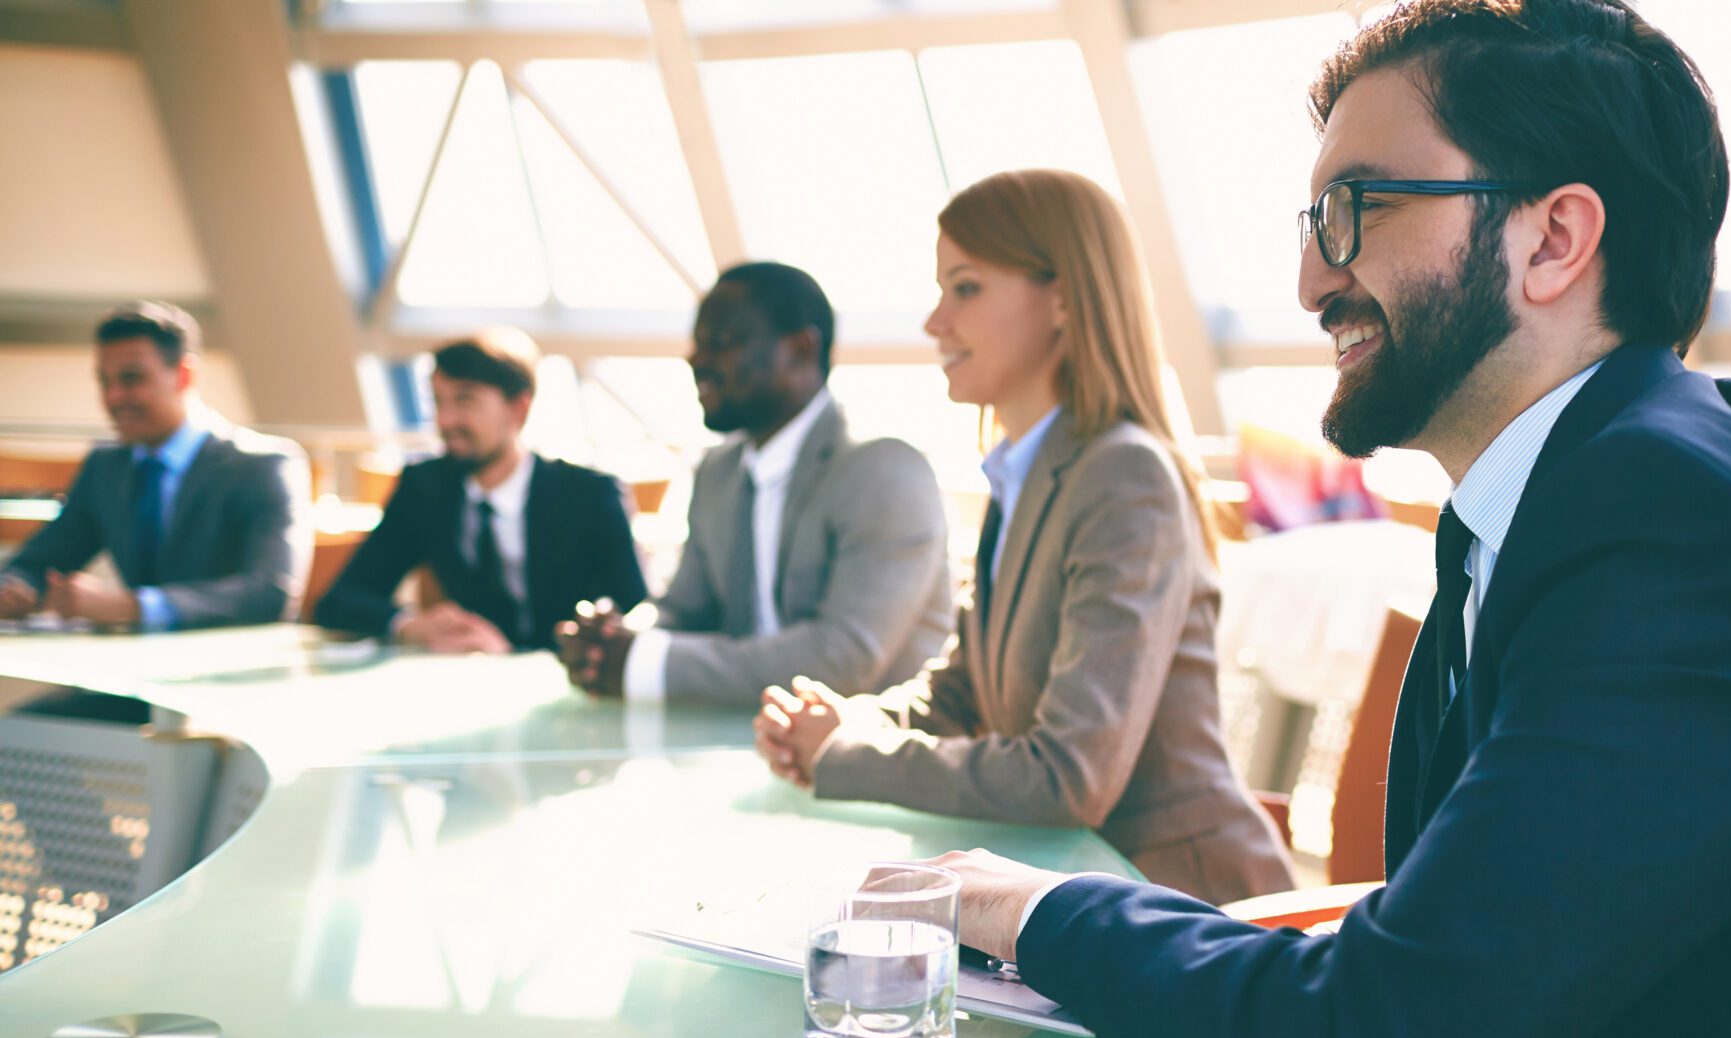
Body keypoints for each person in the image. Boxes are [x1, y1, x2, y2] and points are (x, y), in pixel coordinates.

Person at [935, 4, 1731, 1038]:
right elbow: (1445, 982)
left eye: (1360, 209)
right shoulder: (1548, 506)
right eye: (1310, 222)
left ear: (1553, 238)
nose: (1309, 280)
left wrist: (1039, 910)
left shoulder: (1679, 526)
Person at [753, 171, 1294, 906]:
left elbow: (1068, 776)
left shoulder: (1123, 477)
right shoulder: (1029, 471)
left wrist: (848, 755)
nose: (935, 322)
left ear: (1065, 298)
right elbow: (958, 691)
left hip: (1179, 905)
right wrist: (838, 724)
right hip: (1075, 888)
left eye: (965, 288)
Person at [557, 262, 951, 705]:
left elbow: (844, 659)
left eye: (722, 342)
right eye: (697, 344)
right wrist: (617, 638)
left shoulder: (881, 470)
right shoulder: (719, 470)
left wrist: (647, 662)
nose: (696, 359)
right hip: (747, 739)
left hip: (868, 757)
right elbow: (685, 609)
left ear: (800, 351)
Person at [314, 329, 646, 654]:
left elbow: (633, 616)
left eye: (465, 400)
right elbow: (338, 601)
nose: (445, 421)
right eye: (437, 401)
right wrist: (409, 625)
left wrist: (518, 655)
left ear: (519, 409)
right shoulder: (426, 488)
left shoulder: (590, 496)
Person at [0, 301, 311, 630]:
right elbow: (39, 560)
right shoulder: (106, 466)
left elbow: (270, 594)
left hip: (230, 670)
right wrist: (15, 588)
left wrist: (133, 607)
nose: (113, 397)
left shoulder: (264, 465)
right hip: (127, 670)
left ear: (183, 375)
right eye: (105, 382)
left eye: (131, 378)